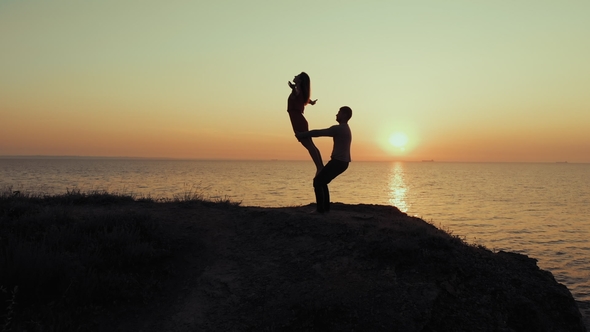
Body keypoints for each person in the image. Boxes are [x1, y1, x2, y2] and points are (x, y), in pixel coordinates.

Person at [296, 106, 353, 214]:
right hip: (343, 163)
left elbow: (319, 133)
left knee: (318, 181)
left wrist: (302, 134)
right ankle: (325, 208)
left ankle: (320, 210)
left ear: (344, 115)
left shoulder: (340, 128)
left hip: (338, 162)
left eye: (339, 112)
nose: (336, 114)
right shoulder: (345, 129)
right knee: (323, 181)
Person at [287, 72, 324, 173]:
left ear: (300, 80)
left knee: (309, 145)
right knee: (310, 145)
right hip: (299, 120)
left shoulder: (298, 90)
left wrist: (293, 88)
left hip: (298, 121)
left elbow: (296, 93)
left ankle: (319, 167)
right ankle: (320, 166)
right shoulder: (301, 91)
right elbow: (304, 98)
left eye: (297, 76)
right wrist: (311, 102)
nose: (295, 76)